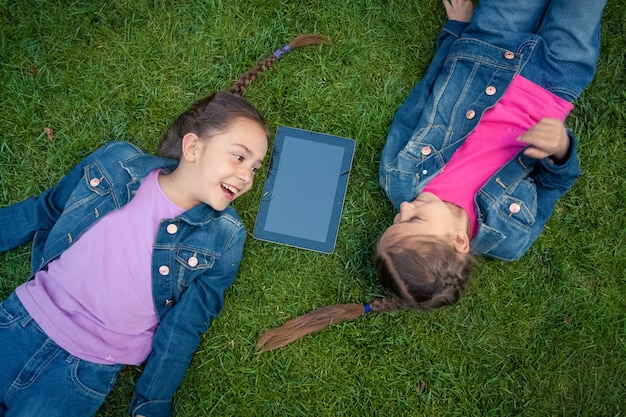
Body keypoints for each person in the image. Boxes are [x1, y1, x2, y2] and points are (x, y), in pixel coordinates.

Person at [0, 34, 327, 416]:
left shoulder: (224, 237)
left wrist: (152, 403)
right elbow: (47, 208)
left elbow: (185, 327)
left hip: (83, 373)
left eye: (254, 168)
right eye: (238, 157)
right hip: (19, 323)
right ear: (193, 148)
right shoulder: (116, 164)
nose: (247, 177)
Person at [257, 0, 607, 352]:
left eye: (398, 217)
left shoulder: (400, 176)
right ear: (459, 241)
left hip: (486, 47)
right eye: (416, 218)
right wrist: (561, 148)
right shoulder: (509, 237)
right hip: (557, 76)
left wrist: (455, 32)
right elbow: (555, 182)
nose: (406, 206)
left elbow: (424, 96)